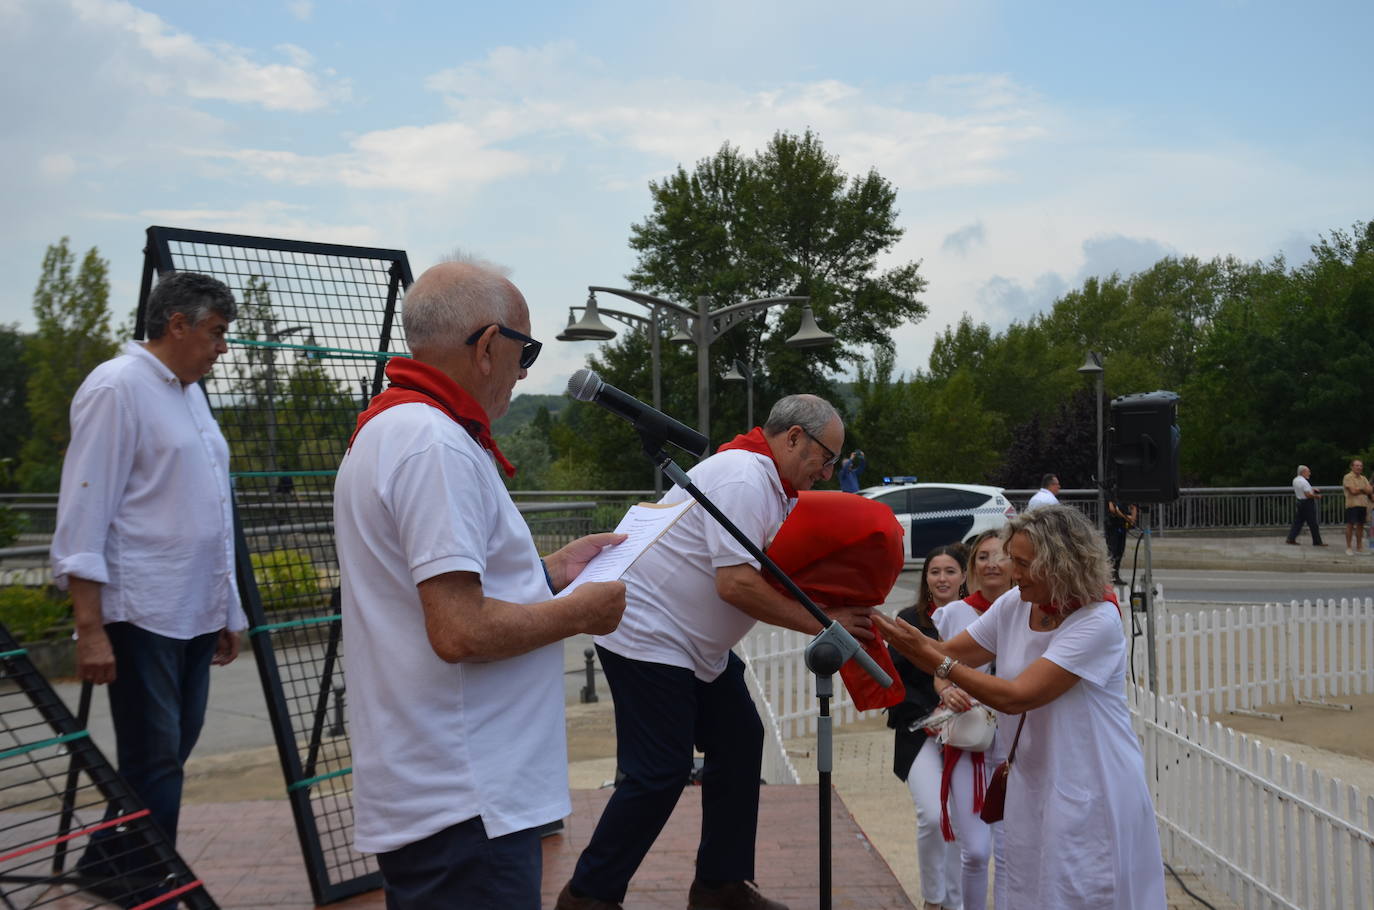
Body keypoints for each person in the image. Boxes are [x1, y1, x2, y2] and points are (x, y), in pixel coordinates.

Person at [334, 260, 628, 909]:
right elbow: (460, 629)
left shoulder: (390, 430)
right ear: (490, 345)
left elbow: (434, 598)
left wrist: (550, 575)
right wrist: (582, 612)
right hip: (470, 798)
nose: (526, 374)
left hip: (440, 788)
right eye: (527, 351)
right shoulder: (434, 445)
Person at [556, 396, 874, 910]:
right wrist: (824, 624)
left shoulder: (777, 486)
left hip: (692, 644)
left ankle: (719, 887)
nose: (830, 470)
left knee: (741, 738)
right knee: (658, 771)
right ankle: (588, 897)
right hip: (648, 632)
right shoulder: (746, 477)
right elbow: (737, 587)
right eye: (826, 456)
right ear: (793, 437)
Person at [50, 271, 246, 900]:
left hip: (191, 610)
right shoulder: (118, 387)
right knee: (155, 759)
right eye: (216, 333)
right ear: (177, 324)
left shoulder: (189, 395)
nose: (222, 348)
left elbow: (213, 510)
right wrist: (91, 629)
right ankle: (149, 880)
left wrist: (227, 609)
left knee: (169, 754)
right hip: (141, 610)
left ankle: (108, 863)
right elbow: (84, 511)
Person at [874, 505, 1167, 909]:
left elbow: (1016, 696)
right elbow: (946, 652)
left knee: (1083, 890)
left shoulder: (1096, 619)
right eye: (1014, 560)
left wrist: (932, 657)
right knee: (1030, 888)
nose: (1014, 572)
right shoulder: (1016, 603)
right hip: (1032, 779)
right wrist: (886, 628)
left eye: (1025, 563)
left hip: (1091, 783)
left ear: (1062, 564)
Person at [930, 531, 1013, 910]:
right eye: (983, 557)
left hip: (1018, 744)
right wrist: (945, 690)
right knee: (977, 851)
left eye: (1000, 556)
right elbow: (940, 668)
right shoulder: (954, 614)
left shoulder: (1032, 612)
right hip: (970, 740)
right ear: (972, 568)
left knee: (1014, 852)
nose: (992, 563)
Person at [888, 543, 967, 910]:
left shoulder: (980, 619)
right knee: (934, 816)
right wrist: (930, 712)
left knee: (961, 823)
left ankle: (955, 901)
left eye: (950, 571)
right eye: (934, 571)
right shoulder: (907, 620)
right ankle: (933, 900)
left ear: (964, 576)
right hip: (919, 732)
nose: (941, 578)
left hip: (970, 733)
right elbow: (891, 683)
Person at [1286, 464, 1327, 547]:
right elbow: (1307, 494)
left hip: (1300, 502)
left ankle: (1291, 538)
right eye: (1308, 471)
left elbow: (1303, 490)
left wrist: (1312, 489)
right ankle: (1317, 541)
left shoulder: (1296, 480)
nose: (1309, 473)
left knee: (1298, 522)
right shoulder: (1304, 481)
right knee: (1313, 523)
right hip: (1307, 503)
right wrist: (1317, 496)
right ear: (1303, 472)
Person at [1105, 496, 1139, 584]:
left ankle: (1115, 574)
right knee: (1113, 550)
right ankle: (1109, 575)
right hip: (1113, 524)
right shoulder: (1111, 491)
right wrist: (1127, 518)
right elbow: (1112, 509)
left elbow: (1133, 506)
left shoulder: (1126, 491)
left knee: (1120, 550)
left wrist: (1132, 518)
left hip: (1122, 525)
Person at [1342, 458, 1372, 555]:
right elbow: (1353, 491)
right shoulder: (1348, 477)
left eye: (1360, 466)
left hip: (1363, 505)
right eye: (1357, 465)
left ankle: (1359, 548)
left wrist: (1362, 490)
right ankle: (1349, 547)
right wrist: (1364, 490)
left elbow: (1370, 491)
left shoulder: (1363, 478)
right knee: (1350, 525)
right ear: (1352, 467)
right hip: (1352, 505)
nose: (1359, 467)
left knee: (1360, 526)